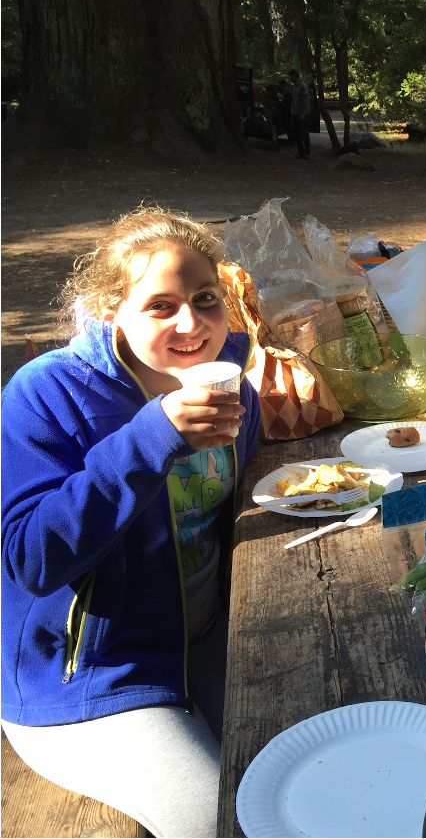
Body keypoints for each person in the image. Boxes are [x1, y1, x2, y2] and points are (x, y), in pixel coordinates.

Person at [1, 208, 262, 837]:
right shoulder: (44, 396)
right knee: (223, 822)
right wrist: (152, 438)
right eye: (160, 306)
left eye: (205, 299)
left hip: (204, 640)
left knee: (304, 753)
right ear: (110, 308)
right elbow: (31, 559)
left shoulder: (230, 386)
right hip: (94, 676)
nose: (191, 323)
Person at [288, 68, 311, 160]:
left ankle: (306, 152)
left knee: (304, 133)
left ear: (294, 76)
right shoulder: (295, 87)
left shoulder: (303, 86)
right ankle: (300, 152)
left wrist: (303, 113)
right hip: (294, 113)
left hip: (302, 114)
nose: (290, 79)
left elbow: (305, 99)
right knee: (296, 134)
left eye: (290, 77)